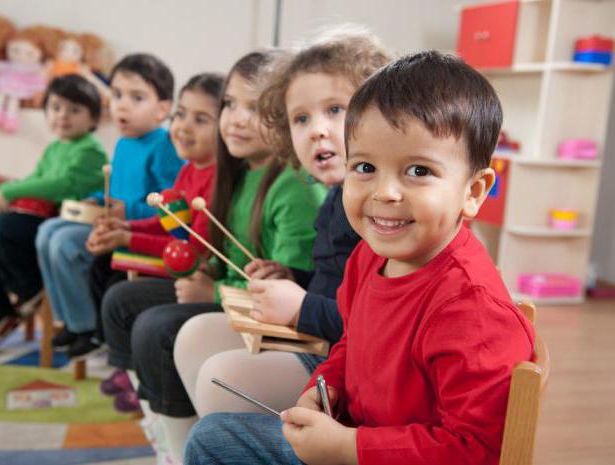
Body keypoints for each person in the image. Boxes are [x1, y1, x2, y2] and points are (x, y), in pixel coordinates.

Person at [185, 50, 535, 465]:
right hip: (360, 435)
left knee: (213, 442)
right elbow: (352, 342)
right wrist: (322, 390)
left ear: (474, 192)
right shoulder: (369, 256)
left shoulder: (471, 310)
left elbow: (478, 451)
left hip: (376, 452)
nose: (384, 193)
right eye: (365, 167)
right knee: (214, 435)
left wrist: (348, 448)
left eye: (419, 171)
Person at [100, 50, 326, 464]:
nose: (237, 118)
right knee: (122, 301)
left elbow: (287, 287)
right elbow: (221, 256)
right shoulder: (238, 173)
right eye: (230, 105)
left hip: (273, 320)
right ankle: (160, 422)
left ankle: (177, 442)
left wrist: (212, 287)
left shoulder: (293, 188)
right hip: (237, 298)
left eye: (255, 108)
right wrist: (202, 270)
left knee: (158, 327)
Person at [174, 26, 392, 420]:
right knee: (192, 338)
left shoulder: (380, 211)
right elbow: (336, 281)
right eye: (301, 118)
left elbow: (374, 322)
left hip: (347, 364)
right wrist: (295, 276)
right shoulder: (334, 197)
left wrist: (302, 306)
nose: (317, 129)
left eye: (335, 110)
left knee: (218, 376)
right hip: (323, 339)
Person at [35, 53, 183, 358]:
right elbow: (115, 189)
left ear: (163, 109)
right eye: (116, 95)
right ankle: (72, 322)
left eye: (136, 97)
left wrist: (127, 211)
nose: (122, 105)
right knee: (47, 231)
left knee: (64, 241)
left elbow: (171, 208)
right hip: (113, 221)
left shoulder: (164, 145)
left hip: (136, 230)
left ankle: (88, 327)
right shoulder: (123, 143)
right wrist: (98, 199)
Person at [83, 72, 224, 358]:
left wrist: (127, 237)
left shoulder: (218, 179)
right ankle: (109, 349)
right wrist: (126, 227)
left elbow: (191, 249)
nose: (183, 127)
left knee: (116, 288)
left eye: (200, 119)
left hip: (196, 273)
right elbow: (170, 223)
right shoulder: (189, 170)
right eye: (181, 115)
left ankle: (123, 365)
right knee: (101, 265)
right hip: (180, 260)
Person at [0, 74, 107, 354]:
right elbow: (37, 181)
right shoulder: (55, 148)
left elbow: (63, 186)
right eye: (56, 108)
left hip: (68, 222)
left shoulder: (91, 150)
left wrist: (11, 191)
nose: (63, 116)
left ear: (93, 119)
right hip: (47, 220)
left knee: (1, 226)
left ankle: (31, 288)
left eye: (74, 110)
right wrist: (11, 184)